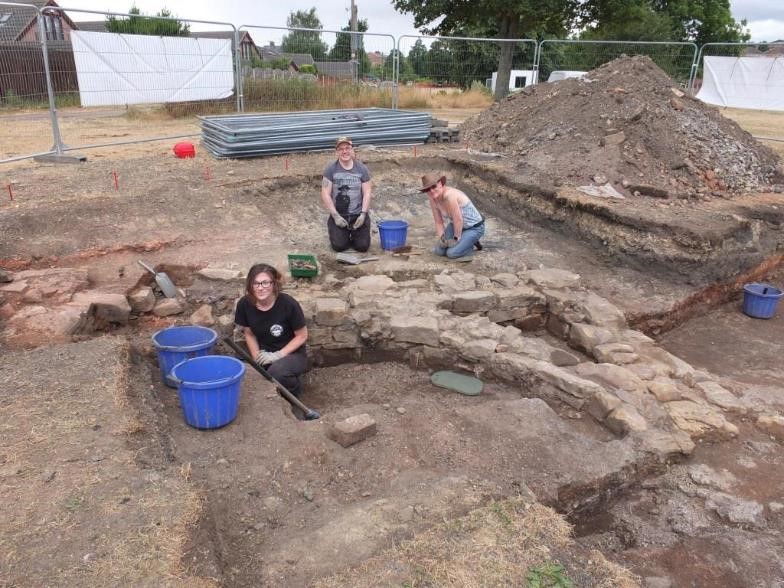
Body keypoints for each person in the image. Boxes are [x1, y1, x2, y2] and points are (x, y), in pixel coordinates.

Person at [234, 263, 309, 397]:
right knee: (243, 369)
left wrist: (278, 355)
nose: (260, 288)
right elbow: (249, 333)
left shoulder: (288, 304)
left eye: (265, 283)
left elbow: (302, 336)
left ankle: (294, 393)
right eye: (256, 283)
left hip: (292, 353)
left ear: (274, 284)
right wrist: (256, 357)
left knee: (277, 373)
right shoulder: (245, 304)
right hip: (265, 352)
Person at [321, 136, 373, 252]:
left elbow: (367, 192)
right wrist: (335, 216)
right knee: (339, 247)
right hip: (339, 215)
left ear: (352, 149)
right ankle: (343, 235)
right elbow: (325, 193)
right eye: (341, 149)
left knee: (362, 247)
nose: (345, 151)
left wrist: (363, 214)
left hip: (357, 215)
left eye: (347, 148)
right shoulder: (330, 169)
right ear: (337, 152)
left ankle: (356, 235)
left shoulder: (362, 169)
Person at [420, 172, 485, 260]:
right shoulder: (433, 199)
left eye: (433, 186)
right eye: (427, 189)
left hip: (474, 227)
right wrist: (442, 238)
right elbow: (438, 222)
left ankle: (470, 244)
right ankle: (465, 240)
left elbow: (458, 219)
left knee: (452, 253)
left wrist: (456, 238)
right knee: (439, 251)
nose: (431, 191)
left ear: (440, 184)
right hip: (456, 225)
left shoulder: (449, 195)